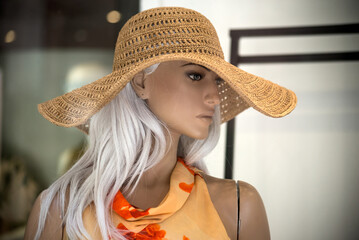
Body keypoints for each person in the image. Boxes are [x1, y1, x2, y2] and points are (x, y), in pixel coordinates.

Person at [24, 6, 297, 240]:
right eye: (195, 75)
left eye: (217, 80)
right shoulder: (59, 211)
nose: (214, 96)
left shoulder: (239, 208)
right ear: (142, 82)